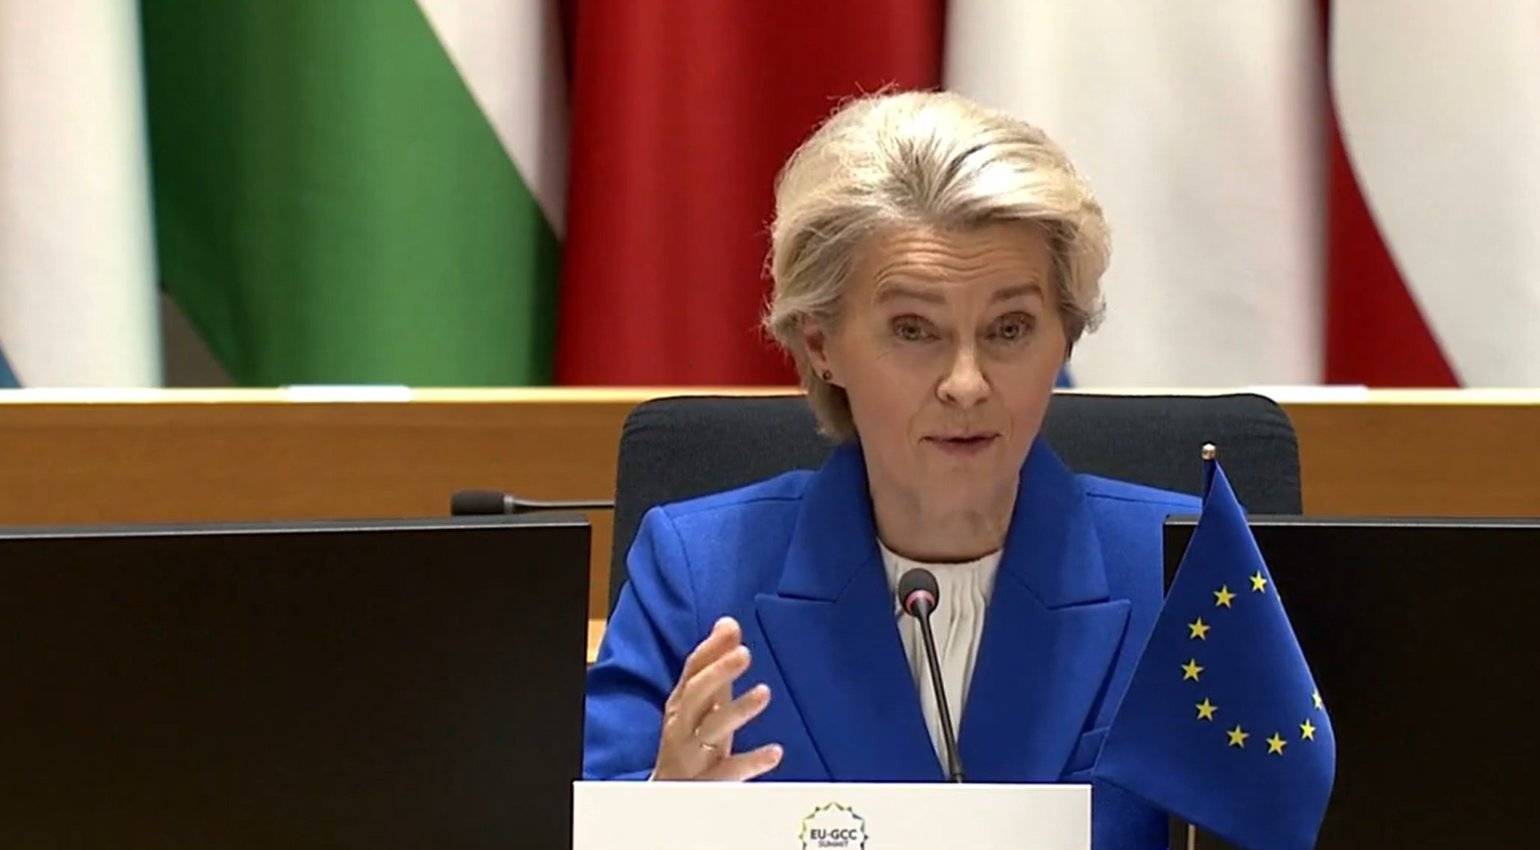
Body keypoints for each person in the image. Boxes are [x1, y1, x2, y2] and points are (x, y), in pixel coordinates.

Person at [583, 90, 1199, 849]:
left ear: (1064, 338)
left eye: (1010, 328)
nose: (966, 383)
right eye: (913, 330)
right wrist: (658, 812)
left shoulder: (1184, 569)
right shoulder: (698, 575)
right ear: (821, 345)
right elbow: (587, 817)